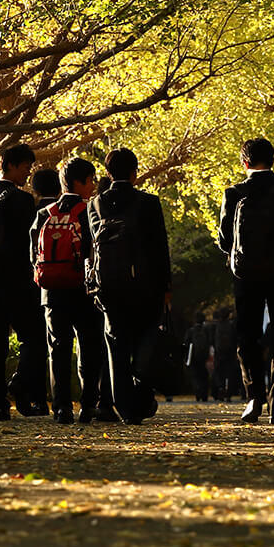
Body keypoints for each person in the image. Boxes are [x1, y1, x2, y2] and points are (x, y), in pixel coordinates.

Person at [218, 137, 274, 425]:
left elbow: (223, 240)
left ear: (244, 162)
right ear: (273, 160)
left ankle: (253, 396)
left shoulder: (234, 192)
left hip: (247, 275)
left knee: (248, 336)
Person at [89, 147, 171, 424]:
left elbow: (94, 248)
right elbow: (161, 248)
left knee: (116, 347)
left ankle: (125, 408)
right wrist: (166, 286)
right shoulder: (148, 202)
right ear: (135, 172)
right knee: (148, 340)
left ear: (108, 173)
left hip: (109, 287)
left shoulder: (96, 204)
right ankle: (143, 395)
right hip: (146, 285)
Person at [30, 157, 106, 424]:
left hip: (51, 292)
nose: (93, 186)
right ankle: (88, 405)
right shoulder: (91, 210)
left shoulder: (45, 213)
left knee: (58, 348)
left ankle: (62, 408)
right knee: (88, 346)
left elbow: (33, 254)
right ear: (79, 182)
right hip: (83, 291)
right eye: (91, 180)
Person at [0, 143, 43, 420]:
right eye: (26, 167)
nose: (28, 173)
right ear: (13, 166)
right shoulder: (23, 201)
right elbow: (30, 242)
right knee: (35, 338)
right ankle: (18, 383)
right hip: (18, 281)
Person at [184, 311, 213, 402]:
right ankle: (204, 395)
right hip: (204, 357)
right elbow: (211, 342)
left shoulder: (191, 331)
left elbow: (186, 344)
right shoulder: (206, 330)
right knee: (204, 376)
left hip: (193, 357)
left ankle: (197, 393)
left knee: (195, 376)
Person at [212, 308, 239, 402]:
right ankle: (229, 393)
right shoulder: (231, 325)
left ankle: (220, 388)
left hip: (219, 353)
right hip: (230, 352)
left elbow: (212, 340)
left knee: (219, 372)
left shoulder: (216, 326)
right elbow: (235, 338)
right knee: (230, 373)